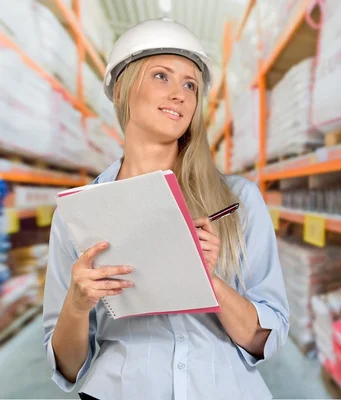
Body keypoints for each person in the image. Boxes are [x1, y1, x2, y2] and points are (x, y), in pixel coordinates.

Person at [42, 18, 289, 400]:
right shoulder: (78, 214)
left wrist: (207, 279)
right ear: (123, 88)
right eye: (162, 76)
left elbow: (263, 339)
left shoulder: (237, 200)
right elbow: (70, 367)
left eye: (190, 84)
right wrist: (76, 305)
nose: (180, 94)